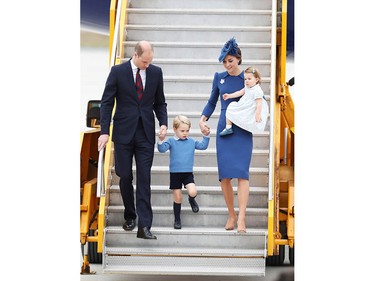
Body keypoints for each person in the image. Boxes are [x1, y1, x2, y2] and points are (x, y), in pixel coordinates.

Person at [98, 40, 168, 240]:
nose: (147, 65)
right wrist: (104, 131)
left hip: (145, 134)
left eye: (150, 62)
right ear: (135, 56)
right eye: (145, 62)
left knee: (144, 179)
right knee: (125, 175)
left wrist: (163, 123)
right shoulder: (117, 72)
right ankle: (130, 214)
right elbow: (106, 102)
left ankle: (144, 226)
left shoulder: (156, 73)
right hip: (123, 133)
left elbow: (160, 102)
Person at [199, 37, 253, 233]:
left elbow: (259, 97)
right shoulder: (219, 77)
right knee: (225, 177)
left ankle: (242, 219)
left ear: (238, 58)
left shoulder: (247, 77)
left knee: (242, 174)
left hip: (242, 128)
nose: (227, 65)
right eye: (224, 62)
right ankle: (232, 214)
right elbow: (212, 102)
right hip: (224, 128)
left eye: (230, 60)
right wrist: (202, 119)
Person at [157, 115, 210, 229]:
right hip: (175, 174)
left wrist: (206, 135)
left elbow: (203, 146)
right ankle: (177, 219)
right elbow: (162, 150)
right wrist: (161, 140)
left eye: (187, 130)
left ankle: (191, 200)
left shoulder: (191, 141)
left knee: (192, 191)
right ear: (175, 129)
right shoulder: (171, 141)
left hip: (187, 173)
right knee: (178, 198)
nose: (185, 133)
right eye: (182, 131)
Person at [219, 66, 269, 136]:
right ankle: (228, 127)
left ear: (256, 80)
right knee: (231, 106)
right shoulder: (247, 87)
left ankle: (244, 127)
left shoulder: (257, 90)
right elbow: (240, 92)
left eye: (249, 79)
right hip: (245, 104)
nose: (246, 81)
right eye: (245, 79)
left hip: (251, 108)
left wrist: (258, 114)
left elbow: (259, 104)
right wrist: (229, 95)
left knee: (246, 116)